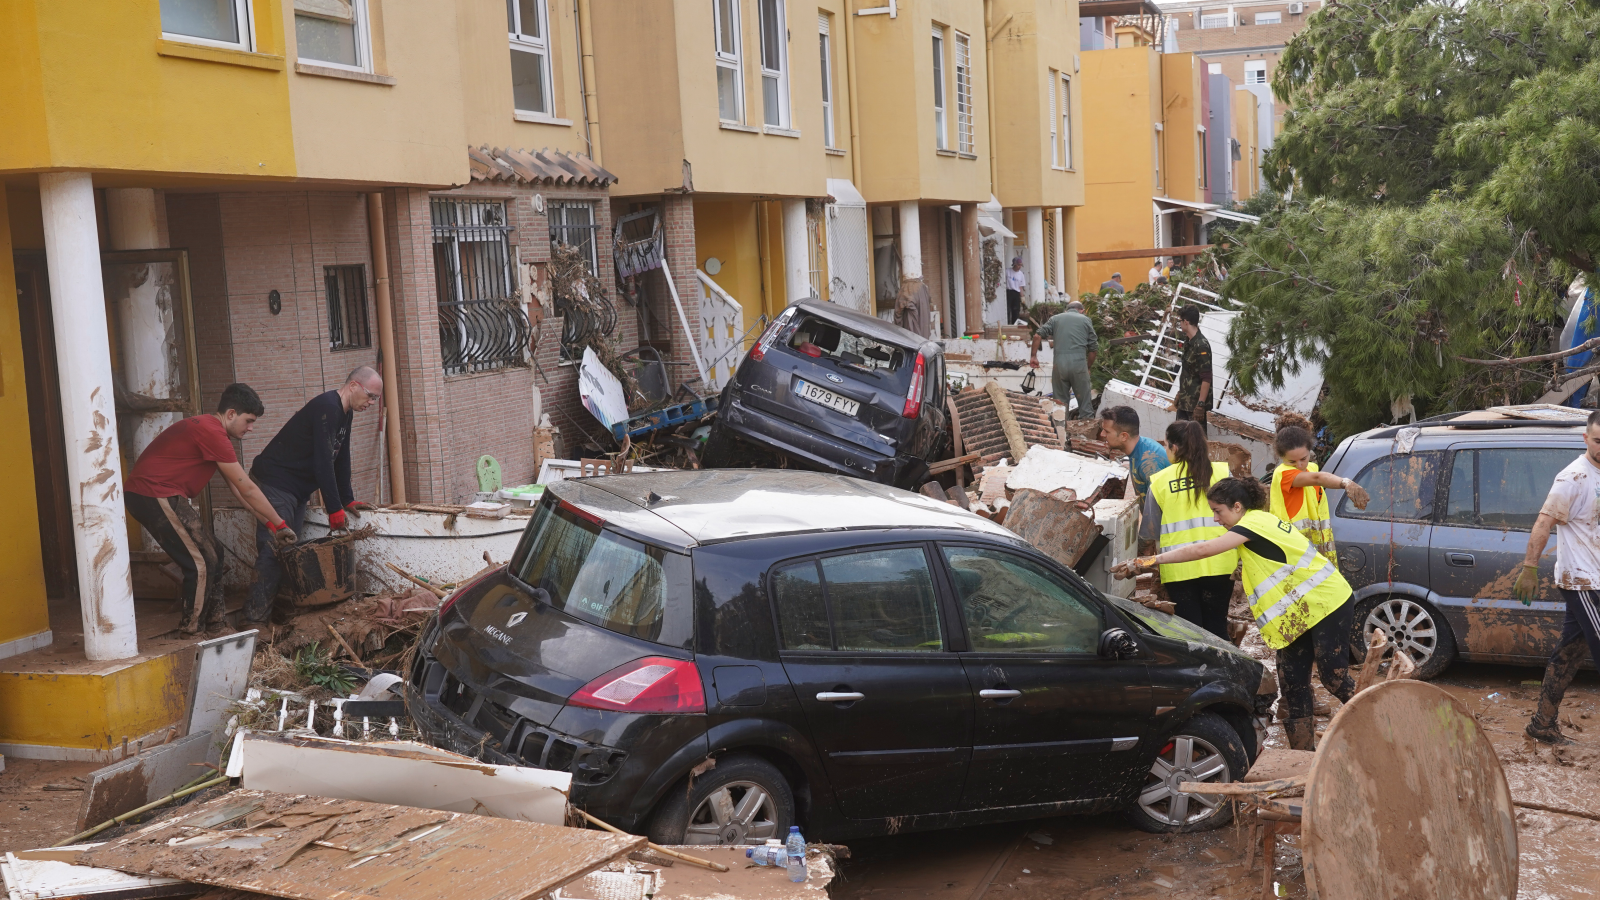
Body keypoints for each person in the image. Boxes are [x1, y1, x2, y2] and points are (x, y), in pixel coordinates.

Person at [1118, 476, 1357, 750]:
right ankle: (1303, 757)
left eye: (1218, 511)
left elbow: (1202, 549)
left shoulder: (1252, 524)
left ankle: (1381, 721)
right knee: (1292, 684)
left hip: (1327, 603)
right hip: (1301, 613)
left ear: (1237, 506)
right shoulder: (1260, 521)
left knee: (1333, 677)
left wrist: (1148, 561)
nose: (1216, 519)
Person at [124, 384, 297, 633]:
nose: (251, 428)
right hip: (152, 493)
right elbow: (247, 488)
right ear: (230, 414)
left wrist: (270, 525)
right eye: (248, 421)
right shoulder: (211, 431)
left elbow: (238, 491)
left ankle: (215, 623)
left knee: (214, 551)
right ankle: (191, 630)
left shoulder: (211, 429)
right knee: (199, 562)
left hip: (160, 494)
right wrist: (281, 523)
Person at [244, 367, 382, 626]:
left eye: (376, 399)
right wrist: (334, 509)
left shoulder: (345, 413)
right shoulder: (327, 408)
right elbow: (323, 463)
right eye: (370, 396)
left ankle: (275, 614)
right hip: (275, 482)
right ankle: (253, 621)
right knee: (275, 549)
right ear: (353, 386)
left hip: (295, 488)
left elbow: (340, 457)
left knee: (289, 550)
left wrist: (346, 499)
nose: (372, 403)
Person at [1515, 410, 1600, 744]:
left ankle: (1543, 724)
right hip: (1583, 581)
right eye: (1598, 441)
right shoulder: (1573, 477)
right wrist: (1529, 568)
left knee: (1569, 653)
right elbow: (1543, 522)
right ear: (1585, 439)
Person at [1136, 421, 1237, 640]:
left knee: (1191, 634)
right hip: (1221, 564)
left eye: (1165, 446)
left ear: (1173, 447)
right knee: (1217, 628)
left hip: (1179, 569)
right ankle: (1224, 672)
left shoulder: (1160, 481)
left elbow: (1149, 532)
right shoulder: (1222, 472)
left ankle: (1200, 673)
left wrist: (1141, 562)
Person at [1269, 416, 1370, 564]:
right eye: (1292, 461)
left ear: (1310, 450)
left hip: (1315, 547)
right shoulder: (1283, 473)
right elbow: (1318, 478)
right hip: (1291, 547)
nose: (1299, 465)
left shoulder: (1311, 468)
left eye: (1303, 458)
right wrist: (1345, 482)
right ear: (1281, 457)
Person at [1029, 299, 1098, 419]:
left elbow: (1037, 335)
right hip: (1079, 365)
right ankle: (1086, 435)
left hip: (1059, 366)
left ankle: (1061, 434)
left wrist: (1033, 356)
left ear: (1067, 310)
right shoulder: (1085, 320)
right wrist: (1088, 367)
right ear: (1081, 311)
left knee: (1060, 406)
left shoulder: (1055, 319)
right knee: (1085, 408)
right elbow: (1093, 349)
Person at [1098, 405, 1168, 501]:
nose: (1102, 434)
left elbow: (1159, 507)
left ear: (1124, 436)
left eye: (1107, 431)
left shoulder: (1149, 462)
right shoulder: (1139, 447)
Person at [1175, 305, 1213, 434]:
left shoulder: (1201, 345)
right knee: (1178, 440)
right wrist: (1181, 393)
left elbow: (1206, 377)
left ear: (1186, 322)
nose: (1179, 324)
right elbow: (1189, 373)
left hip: (1195, 406)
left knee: (1197, 443)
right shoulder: (1189, 341)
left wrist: (1200, 405)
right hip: (1185, 403)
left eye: (1180, 321)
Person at [1006, 257, 1026, 324]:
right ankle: (1008, 323)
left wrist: (1022, 297)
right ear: (1014, 264)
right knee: (1008, 309)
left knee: (1016, 310)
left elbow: (1020, 287)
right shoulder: (1007, 271)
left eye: (1020, 265)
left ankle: (1014, 324)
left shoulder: (1021, 274)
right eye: (1018, 265)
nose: (1019, 266)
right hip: (1009, 292)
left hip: (1016, 293)